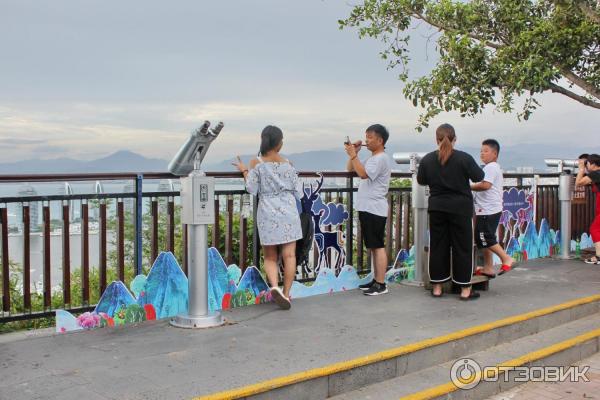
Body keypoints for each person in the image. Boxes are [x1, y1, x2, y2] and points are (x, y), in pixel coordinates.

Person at [232, 125, 303, 309]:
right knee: (289, 255)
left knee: (270, 257)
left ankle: (275, 287)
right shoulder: (289, 164)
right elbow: (299, 192)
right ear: (279, 144)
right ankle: (286, 294)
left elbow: (252, 189)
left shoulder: (256, 163)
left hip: (268, 212)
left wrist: (244, 171)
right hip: (289, 212)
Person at [417, 123, 485, 300]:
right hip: (460, 208)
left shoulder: (427, 160)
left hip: (437, 207)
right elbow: (479, 176)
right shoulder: (464, 158)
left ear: (436, 139)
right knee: (462, 248)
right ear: (455, 139)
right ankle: (464, 290)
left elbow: (421, 180)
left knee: (438, 246)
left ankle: (438, 288)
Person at [345, 124, 392, 296]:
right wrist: (354, 155)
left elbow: (363, 174)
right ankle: (376, 280)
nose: (367, 141)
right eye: (366, 137)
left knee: (377, 246)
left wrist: (353, 155)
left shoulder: (381, 158)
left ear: (380, 140)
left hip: (374, 208)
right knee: (372, 245)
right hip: (367, 207)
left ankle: (381, 284)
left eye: (370, 137)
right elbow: (351, 169)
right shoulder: (373, 158)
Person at [471, 139, 515, 278]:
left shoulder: (491, 167)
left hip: (488, 210)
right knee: (483, 239)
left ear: (495, 154)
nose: (482, 154)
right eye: (481, 151)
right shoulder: (492, 167)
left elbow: (485, 185)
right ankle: (488, 268)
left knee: (485, 238)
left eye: (486, 151)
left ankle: (506, 258)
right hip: (489, 209)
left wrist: (468, 187)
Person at [575, 153, 600, 264]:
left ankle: (599, 257)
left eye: (588, 163)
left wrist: (581, 169)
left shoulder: (597, 173)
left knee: (595, 229)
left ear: (594, 164)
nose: (587, 166)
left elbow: (578, 183)